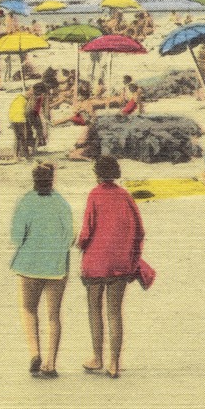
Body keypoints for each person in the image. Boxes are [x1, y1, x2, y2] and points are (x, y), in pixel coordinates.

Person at [77, 156, 145, 379]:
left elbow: (87, 231)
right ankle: (114, 363)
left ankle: (97, 357)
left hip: (96, 261)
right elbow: (139, 231)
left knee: (94, 309)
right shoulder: (125, 196)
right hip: (120, 261)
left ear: (97, 173)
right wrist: (132, 257)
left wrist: (80, 245)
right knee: (115, 312)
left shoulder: (95, 195)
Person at [10, 163, 74, 379]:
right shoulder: (62, 203)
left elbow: (17, 237)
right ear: (52, 180)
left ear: (34, 180)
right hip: (56, 265)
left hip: (29, 263)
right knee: (54, 315)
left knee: (29, 309)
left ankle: (34, 353)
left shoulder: (26, 201)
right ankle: (51, 363)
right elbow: (69, 238)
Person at [8, 89, 31, 161]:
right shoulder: (25, 100)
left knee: (18, 138)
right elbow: (27, 112)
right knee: (22, 138)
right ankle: (22, 156)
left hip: (13, 118)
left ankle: (17, 156)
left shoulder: (18, 97)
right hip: (20, 119)